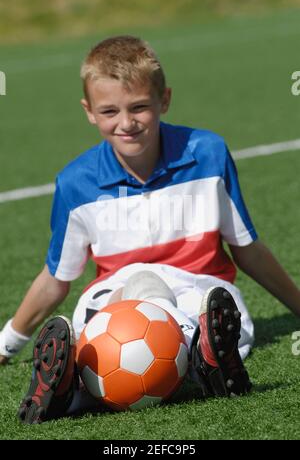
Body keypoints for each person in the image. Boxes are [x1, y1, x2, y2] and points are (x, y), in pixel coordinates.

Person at [1, 36, 299, 424]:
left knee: (203, 313)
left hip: (201, 294)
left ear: (165, 100)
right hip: (114, 301)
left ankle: (75, 392)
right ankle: (202, 366)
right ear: (89, 111)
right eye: (109, 111)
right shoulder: (76, 182)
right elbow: (56, 278)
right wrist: (8, 341)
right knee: (137, 287)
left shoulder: (207, 154)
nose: (126, 123)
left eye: (139, 107)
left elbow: (247, 248)